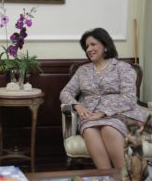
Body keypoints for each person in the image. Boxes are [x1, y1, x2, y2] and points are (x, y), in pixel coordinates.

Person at [59, 27, 146, 169]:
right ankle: (105, 177)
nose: (89, 49)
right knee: (89, 130)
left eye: (93, 44)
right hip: (90, 116)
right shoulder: (83, 71)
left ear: (105, 45)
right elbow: (65, 92)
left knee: (108, 128)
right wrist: (77, 106)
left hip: (121, 114)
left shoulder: (122, 68)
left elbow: (129, 97)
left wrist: (102, 113)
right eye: (86, 46)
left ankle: (123, 177)